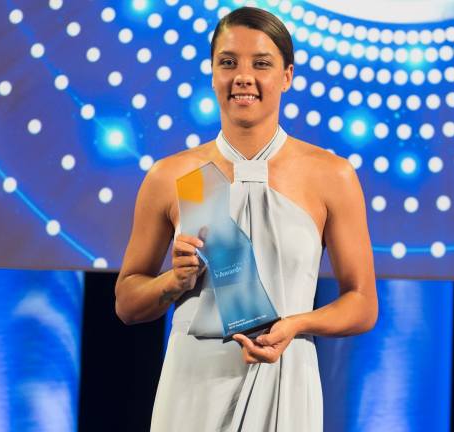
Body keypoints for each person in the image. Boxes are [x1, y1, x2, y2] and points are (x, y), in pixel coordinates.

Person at [115, 7, 377, 431]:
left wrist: (295, 325)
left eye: (261, 63)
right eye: (228, 62)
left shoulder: (332, 175)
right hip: (193, 385)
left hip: (285, 375)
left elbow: (362, 304)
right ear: (213, 73)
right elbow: (127, 302)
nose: (243, 76)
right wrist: (173, 281)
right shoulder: (174, 175)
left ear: (287, 76)